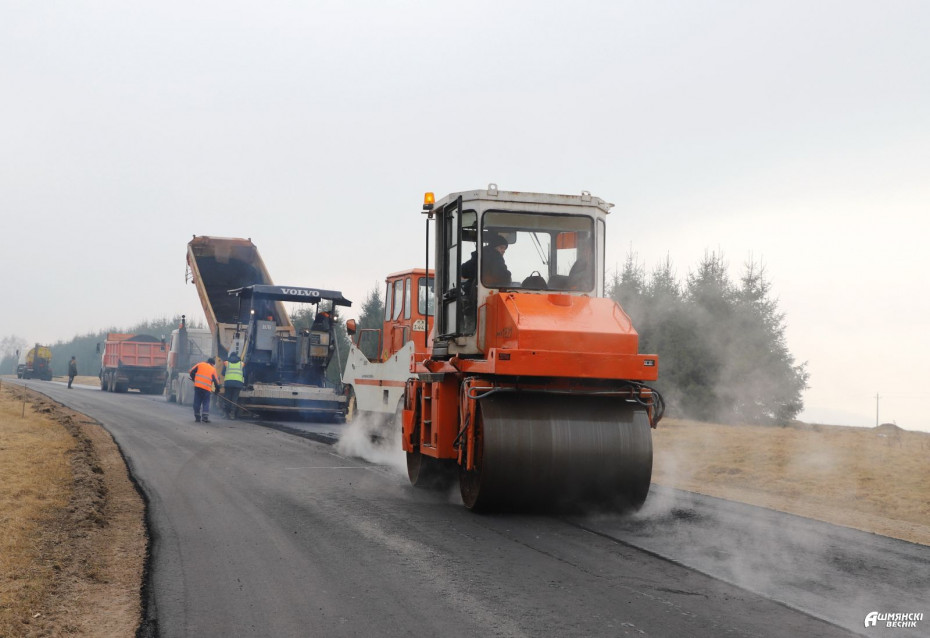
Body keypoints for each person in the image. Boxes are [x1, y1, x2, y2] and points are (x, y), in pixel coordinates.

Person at [189, 357, 220, 423]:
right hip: (206, 389)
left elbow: (191, 371)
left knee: (197, 401)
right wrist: (217, 391)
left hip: (198, 387)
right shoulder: (213, 369)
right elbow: (216, 382)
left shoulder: (200, 364)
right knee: (206, 402)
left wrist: (194, 379)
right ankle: (205, 417)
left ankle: (197, 417)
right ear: (212, 364)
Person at [221, 352, 245, 419]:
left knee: (227, 399)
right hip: (238, 384)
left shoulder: (226, 363)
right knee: (234, 399)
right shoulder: (241, 364)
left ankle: (226, 414)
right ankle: (232, 414)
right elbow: (244, 374)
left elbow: (223, 373)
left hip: (228, 383)